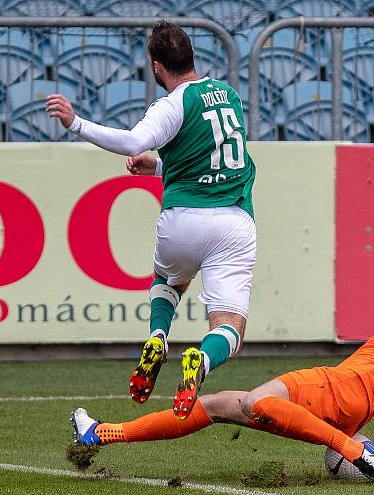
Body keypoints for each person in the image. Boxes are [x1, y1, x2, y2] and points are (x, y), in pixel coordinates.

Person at [71, 250, 374, 485]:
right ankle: (102, 434)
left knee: (259, 400)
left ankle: (355, 451)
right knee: (216, 404)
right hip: (350, 402)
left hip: (339, 388)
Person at [46, 21, 257, 420]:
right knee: (228, 328)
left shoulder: (172, 104)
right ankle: (202, 362)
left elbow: (132, 141)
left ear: (157, 66)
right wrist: (161, 167)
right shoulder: (228, 96)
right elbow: (211, 157)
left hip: (183, 222)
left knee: (169, 281)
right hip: (232, 222)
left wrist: (75, 123)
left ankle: (159, 336)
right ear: (192, 55)